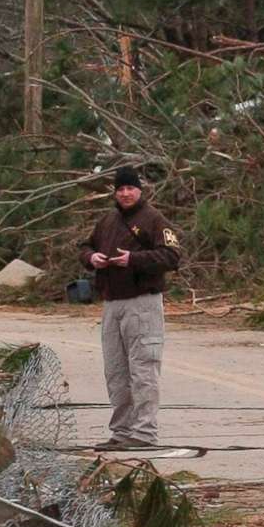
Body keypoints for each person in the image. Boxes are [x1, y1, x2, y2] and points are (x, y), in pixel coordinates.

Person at [79, 165, 182, 451]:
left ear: (140, 190)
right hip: (112, 304)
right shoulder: (107, 221)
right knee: (116, 371)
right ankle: (121, 432)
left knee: (143, 369)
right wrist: (92, 258)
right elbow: (84, 247)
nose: (125, 193)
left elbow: (173, 256)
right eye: (120, 188)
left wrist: (134, 260)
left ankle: (145, 433)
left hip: (143, 303)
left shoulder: (154, 219)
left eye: (130, 188)